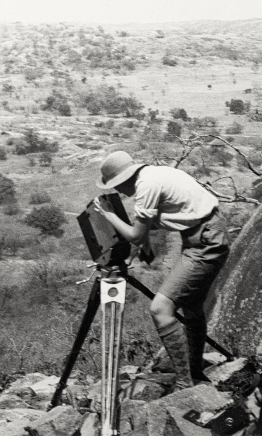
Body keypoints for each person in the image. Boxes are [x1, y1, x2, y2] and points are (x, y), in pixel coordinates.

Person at [93, 151, 230, 391]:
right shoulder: (153, 174)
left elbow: (136, 234)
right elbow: (149, 224)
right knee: (192, 306)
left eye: (115, 186)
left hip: (206, 242)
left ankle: (184, 382)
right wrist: (146, 243)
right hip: (203, 235)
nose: (118, 192)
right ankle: (194, 370)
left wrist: (109, 214)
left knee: (160, 308)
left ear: (122, 180)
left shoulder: (146, 186)